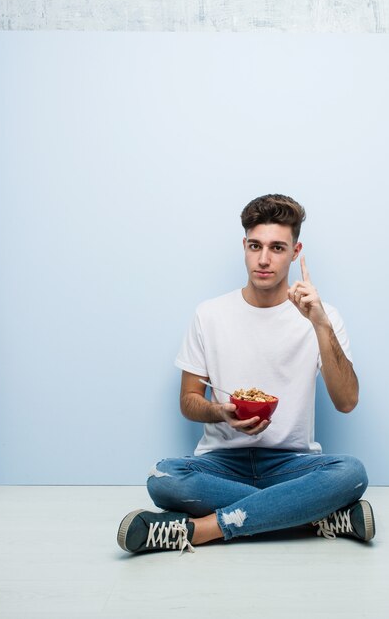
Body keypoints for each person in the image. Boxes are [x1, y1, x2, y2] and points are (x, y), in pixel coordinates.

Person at [117, 194, 375, 555]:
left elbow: (347, 401)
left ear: (295, 251)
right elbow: (189, 401)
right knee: (164, 478)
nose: (264, 259)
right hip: (221, 463)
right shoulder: (209, 314)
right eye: (255, 246)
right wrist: (220, 411)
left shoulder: (322, 316)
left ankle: (197, 530)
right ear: (244, 246)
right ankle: (313, 517)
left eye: (277, 248)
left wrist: (319, 325)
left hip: (291, 463)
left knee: (352, 472)